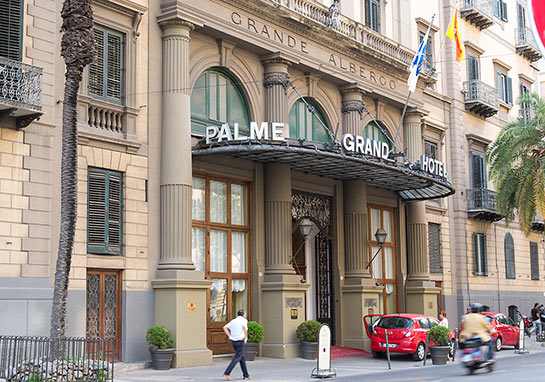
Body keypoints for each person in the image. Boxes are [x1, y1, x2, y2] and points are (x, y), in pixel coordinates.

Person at [223, 309, 251, 381]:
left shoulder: (233, 321)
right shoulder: (244, 320)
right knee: (237, 358)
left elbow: (225, 327)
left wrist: (229, 335)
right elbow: (245, 328)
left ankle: (246, 375)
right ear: (244, 315)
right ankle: (227, 372)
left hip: (234, 341)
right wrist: (245, 335)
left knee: (242, 358)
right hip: (240, 341)